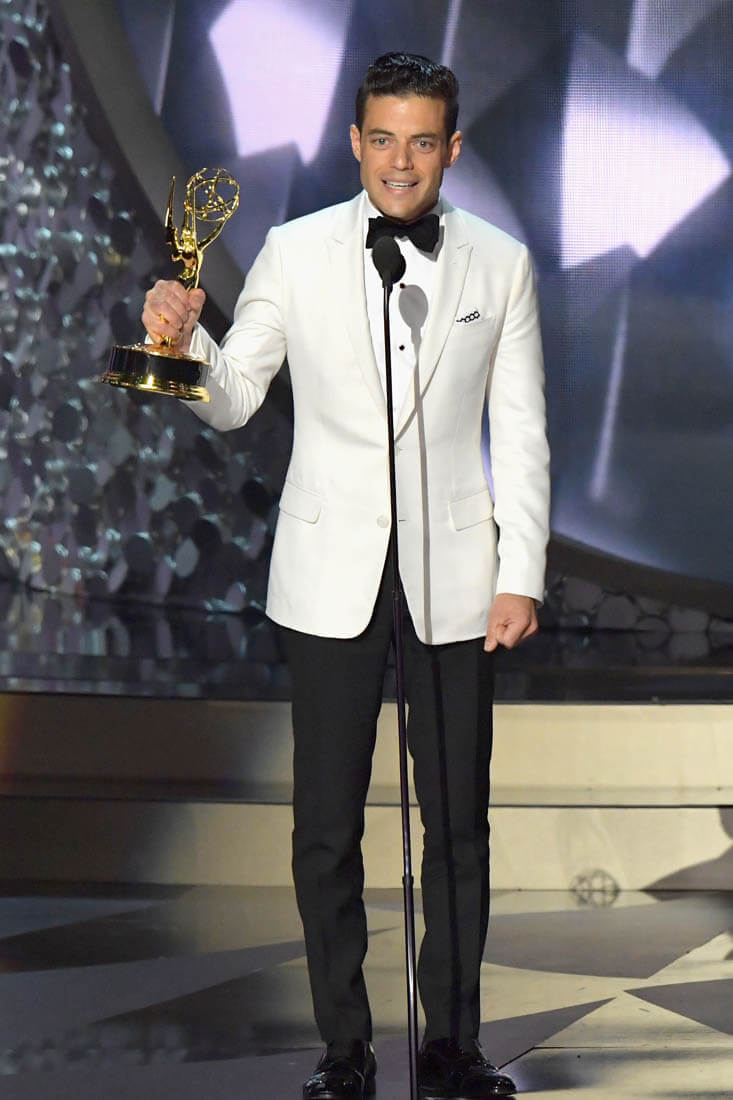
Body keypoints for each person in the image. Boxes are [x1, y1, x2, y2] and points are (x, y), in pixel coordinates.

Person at [142, 51, 549, 1100]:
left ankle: (452, 1047)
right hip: (329, 573)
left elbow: (521, 432)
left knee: (456, 825)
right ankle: (344, 1050)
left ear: (451, 148)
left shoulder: (499, 263)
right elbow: (236, 397)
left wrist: (521, 572)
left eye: (422, 142)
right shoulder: (294, 250)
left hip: (457, 575)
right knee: (325, 828)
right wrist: (183, 345)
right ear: (355, 141)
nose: (399, 162)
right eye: (382, 139)